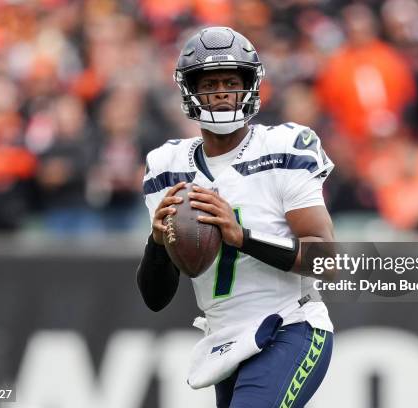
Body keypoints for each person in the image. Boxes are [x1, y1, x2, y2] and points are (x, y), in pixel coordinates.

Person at [137, 27, 335, 408]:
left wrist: (242, 236)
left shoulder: (283, 148)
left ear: (251, 86)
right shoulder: (167, 166)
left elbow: (326, 259)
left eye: (231, 81)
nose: (223, 92)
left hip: (289, 326)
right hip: (224, 341)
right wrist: (157, 243)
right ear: (190, 91)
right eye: (210, 83)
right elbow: (155, 298)